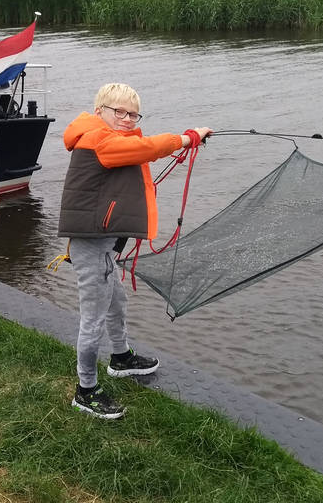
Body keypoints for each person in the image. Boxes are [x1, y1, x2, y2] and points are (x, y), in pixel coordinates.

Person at [58, 83, 212, 419]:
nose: (128, 119)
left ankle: (120, 358)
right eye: (120, 112)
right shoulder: (99, 139)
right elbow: (148, 148)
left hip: (103, 245)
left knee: (117, 301)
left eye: (133, 114)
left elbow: (135, 151)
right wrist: (189, 137)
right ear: (100, 112)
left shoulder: (108, 137)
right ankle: (85, 391)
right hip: (92, 246)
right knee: (93, 318)